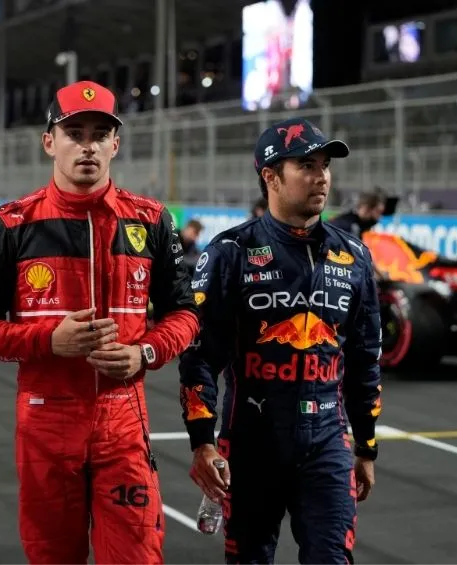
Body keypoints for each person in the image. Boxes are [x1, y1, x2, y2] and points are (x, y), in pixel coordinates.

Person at [0, 80, 199, 564]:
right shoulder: (10, 224)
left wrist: (143, 352)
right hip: (46, 424)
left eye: (99, 133)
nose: (87, 145)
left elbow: (186, 314)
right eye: (74, 132)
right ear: (50, 141)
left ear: (116, 143)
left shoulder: (152, 221)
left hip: (123, 420)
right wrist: (50, 340)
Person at [178, 117, 382, 564]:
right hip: (251, 443)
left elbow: (366, 358)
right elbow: (199, 358)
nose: (322, 176)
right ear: (270, 176)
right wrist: (202, 442)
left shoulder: (355, 256)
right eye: (306, 165)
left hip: (328, 442)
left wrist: (366, 446)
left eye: (325, 165)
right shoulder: (229, 253)